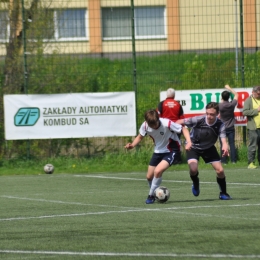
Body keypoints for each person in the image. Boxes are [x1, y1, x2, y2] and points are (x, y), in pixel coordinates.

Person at [124, 109, 192, 204]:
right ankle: (156, 193)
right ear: (147, 123)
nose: (155, 126)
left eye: (156, 123)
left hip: (171, 150)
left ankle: (151, 196)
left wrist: (188, 141)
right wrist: (132, 145)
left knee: (157, 171)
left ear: (158, 119)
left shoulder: (166, 123)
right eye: (152, 125)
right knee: (149, 177)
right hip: (158, 151)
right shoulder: (145, 126)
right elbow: (140, 136)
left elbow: (183, 129)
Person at [176, 102, 231, 200]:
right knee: (193, 170)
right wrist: (169, 126)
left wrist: (225, 145)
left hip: (209, 148)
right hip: (193, 147)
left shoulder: (220, 124)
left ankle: (223, 193)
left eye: (212, 114)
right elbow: (180, 122)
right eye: (207, 113)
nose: (209, 116)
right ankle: (195, 182)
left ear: (217, 114)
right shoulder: (198, 119)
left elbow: (223, 137)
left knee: (220, 171)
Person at [219, 84, 238, 164]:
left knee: (223, 144)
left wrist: (222, 100)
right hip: (230, 127)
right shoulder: (231, 105)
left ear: (222, 97)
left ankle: (224, 161)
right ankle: (233, 160)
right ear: (229, 97)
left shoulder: (220, 105)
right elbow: (237, 95)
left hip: (222, 127)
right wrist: (229, 88)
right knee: (232, 144)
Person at [242, 86, 260, 169]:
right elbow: (245, 112)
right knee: (253, 145)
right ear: (253, 92)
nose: (259, 95)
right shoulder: (249, 100)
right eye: (258, 94)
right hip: (253, 127)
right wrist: (257, 110)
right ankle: (251, 163)